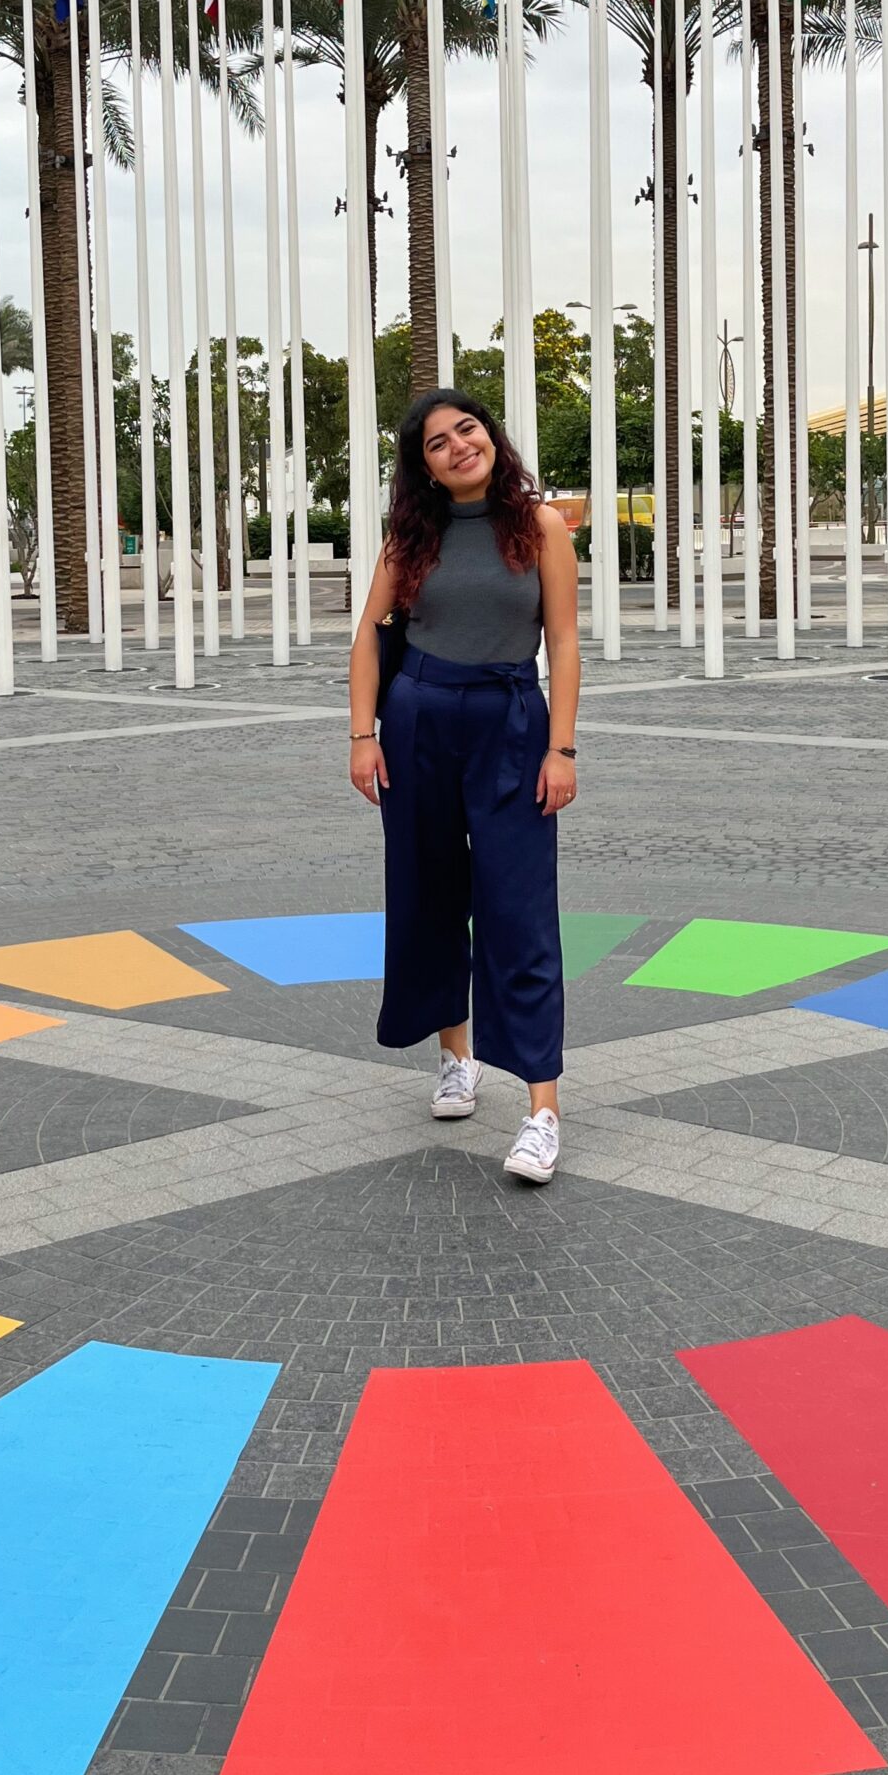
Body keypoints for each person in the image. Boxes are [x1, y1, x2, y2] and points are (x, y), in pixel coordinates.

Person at [349, 392, 580, 1186]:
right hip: (417, 722)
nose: (457, 447)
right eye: (436, 443)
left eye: (467, 430)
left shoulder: (538, 526)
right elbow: (368, 641)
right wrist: (361, 735)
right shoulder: (409, 537)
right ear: (422, 466)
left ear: (491, 435)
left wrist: (562, 749)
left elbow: (564, 641)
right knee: (430, 895)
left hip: (512, 724)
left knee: (519, 909)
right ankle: (458, 1059)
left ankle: (541, 1110)